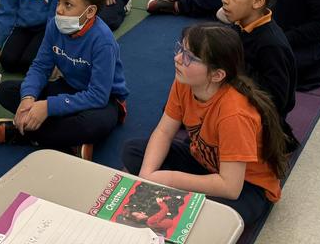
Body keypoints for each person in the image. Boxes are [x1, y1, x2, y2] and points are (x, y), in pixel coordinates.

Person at [121, 24, 288, 229]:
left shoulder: (234, 114)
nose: (178, 58)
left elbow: (231, 187)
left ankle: (180, 198)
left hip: (246, 184)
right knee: (134, 151)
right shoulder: (184, 82)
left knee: (221, 218)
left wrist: (169, 179)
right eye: (180, 49)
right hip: (205, 163)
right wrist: (146, 177)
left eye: (189, 57)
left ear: (217, 75)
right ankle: (182, 198)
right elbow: (164, 131)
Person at [0, 0, 127, 159]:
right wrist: (28, 98)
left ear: (90, 12)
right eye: (59, 2)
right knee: (6, 91)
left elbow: (98, 95)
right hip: (69, 88)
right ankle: (68, 141)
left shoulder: (103, 42)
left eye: (68, 5)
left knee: (93, 125)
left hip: (104, 100)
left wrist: (49, 107)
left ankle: (23, 133)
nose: (59, 9)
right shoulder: (54, 26)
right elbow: (40, 67)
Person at [219, 0, 297, 150]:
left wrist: (232, 66)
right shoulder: (241, 25)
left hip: (261, 116)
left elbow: (278, 100)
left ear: (258, 1)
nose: (224, 0)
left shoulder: (271, 44)